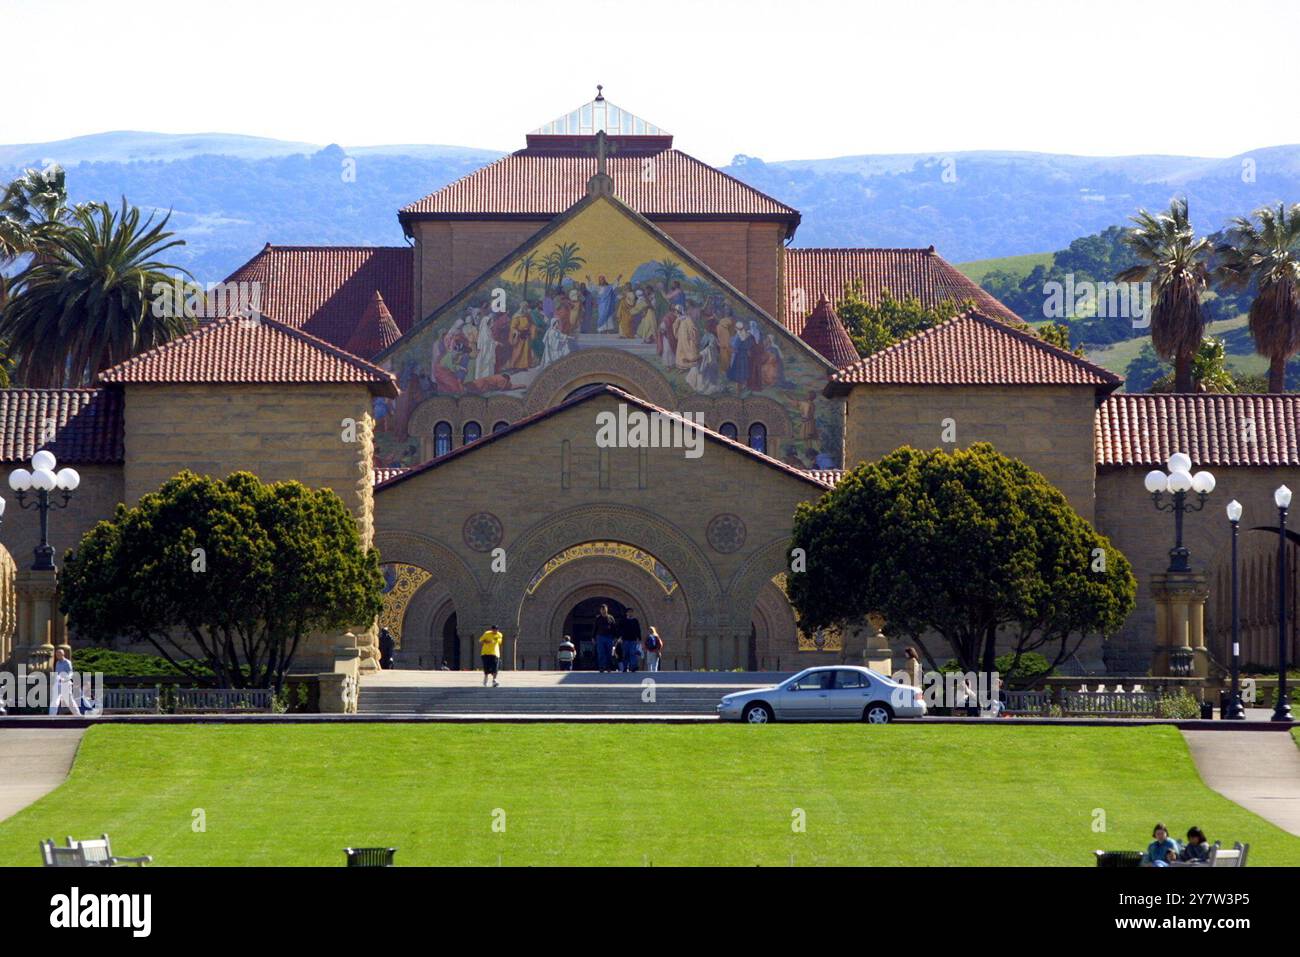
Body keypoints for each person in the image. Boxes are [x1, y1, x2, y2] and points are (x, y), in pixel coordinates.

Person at [48, 648, 80, 716]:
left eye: (58, 654)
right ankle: (51, 716)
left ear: (62, 654)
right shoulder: (57, 663)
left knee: (70, 701)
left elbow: (71, 673)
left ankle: (78, 715)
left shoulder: (67, 662)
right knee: (54, 700)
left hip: (66, 683)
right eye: (56, 654)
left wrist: (65, 679)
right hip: (58, 683)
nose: (57, 655)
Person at [594, 603, 617, 673]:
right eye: (602, 609)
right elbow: (595, 628)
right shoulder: (598, 618)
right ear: (600, 610)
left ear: (607, 610)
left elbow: (614, 628)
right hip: (600, 637)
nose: (603, 611)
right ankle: (601, 667)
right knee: (601, 653)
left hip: (609, 637)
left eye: (604, 609)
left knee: (609, 653)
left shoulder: (611, 618)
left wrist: (615, 637)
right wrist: (593, 637)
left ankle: (608, 667)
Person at [621, 609, 643, 673]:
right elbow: (620, 629)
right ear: (626, 613)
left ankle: (633, 667)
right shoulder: (623, 621)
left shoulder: (635, 621)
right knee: (625, 654)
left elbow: (638, 630)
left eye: (631, 612)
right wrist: (620, 637)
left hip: (633, 640)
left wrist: (639, 638)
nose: (630, 613)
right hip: (625, 640)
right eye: (629, 612)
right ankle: (625, 667)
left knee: (632, 653)